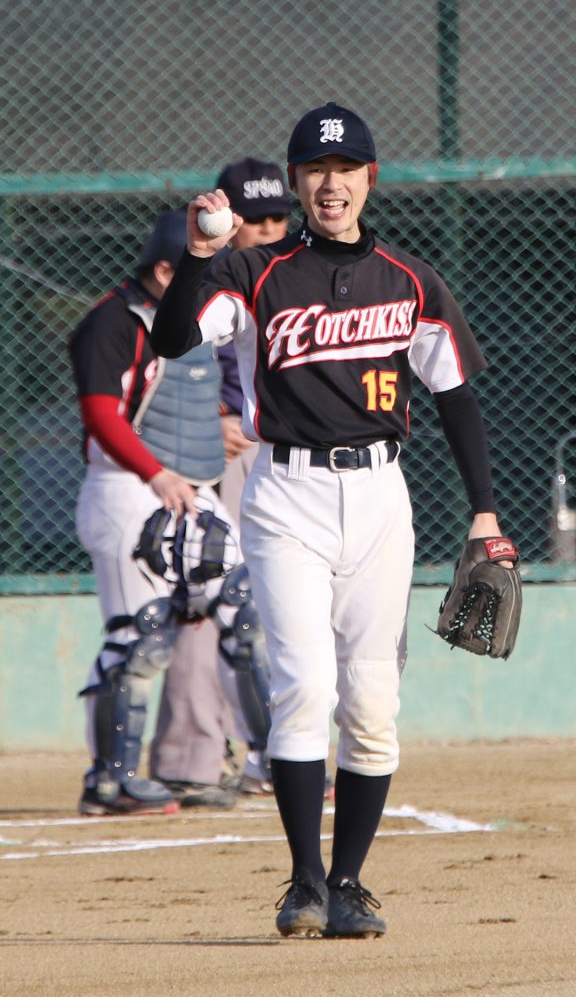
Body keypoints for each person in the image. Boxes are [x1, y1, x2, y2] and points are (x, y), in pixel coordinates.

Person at [150, 101, 513, 939]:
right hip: (286, 496)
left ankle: (349, 883)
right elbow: (171, 342)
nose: (331, 184)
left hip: (381, 497)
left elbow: (456, 398)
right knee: (305, 686)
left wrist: (484, 512)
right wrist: (200, 257)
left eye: (346, 169)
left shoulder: (411, 281)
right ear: (298, 182)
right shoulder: (252, 273)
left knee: (373, 701)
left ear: (369, 179)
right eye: (316, 169)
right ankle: (305, 882)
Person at [69, 209, 238, 815]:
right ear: (166, 270)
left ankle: (273, 760)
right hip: (126, 487)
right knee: (137, 637)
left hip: (186, 486)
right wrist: (154, 472)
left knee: (238, 609)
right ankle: (109, 781)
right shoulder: (110, 321)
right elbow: (101, 414)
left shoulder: (193, 324)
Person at [150, 158, 293, 797]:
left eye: (277, 216)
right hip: (215, 464)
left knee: (275, 611)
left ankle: (278, 750)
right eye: (253, 218)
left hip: (286, 455)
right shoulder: (209, 279)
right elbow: (165, 363)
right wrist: (212, 420)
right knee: (209, 606)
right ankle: (194, 759)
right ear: (228, 220)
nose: (267, 229)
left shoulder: (299, 274)